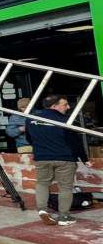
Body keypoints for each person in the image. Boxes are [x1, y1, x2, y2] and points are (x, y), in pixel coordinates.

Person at [26, 95, 91, 226]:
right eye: (65, 104)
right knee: (65, 187)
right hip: (64, 158)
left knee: (42, 183)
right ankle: (64, 217)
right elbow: (75, 142)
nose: (67, 107)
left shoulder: (31, 119)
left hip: (42, 157)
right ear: (54, 106)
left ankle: (42, 210)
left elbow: (29, 138)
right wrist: (84, 159)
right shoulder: (65, 120)